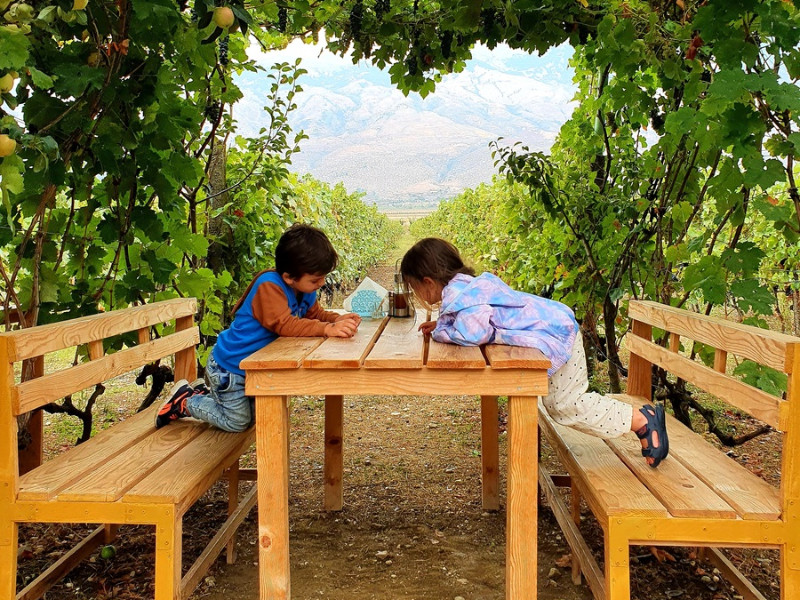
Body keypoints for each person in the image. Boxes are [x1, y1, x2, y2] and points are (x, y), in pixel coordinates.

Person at [399, 237, 668, 467]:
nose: (417, 294)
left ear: (429, 282)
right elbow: (474, 317)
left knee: (565, 405)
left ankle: (641, 420)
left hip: (557, 333)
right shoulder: (466, 285)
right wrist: (446, 322)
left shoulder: (459, 293)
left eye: (415, 288)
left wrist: (440, 332)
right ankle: (639, 419)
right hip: (555, 326)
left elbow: (474, 333)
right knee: (558, 404)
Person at [155, 223, 361, 432]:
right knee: (237, 422)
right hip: (230, 367)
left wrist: (338, 320)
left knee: (260, 416)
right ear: (289, 277)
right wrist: (326, 329)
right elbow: (286, 325)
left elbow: (316, 314)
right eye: (316, 279)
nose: (321, 283)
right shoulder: (269, 286)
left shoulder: (304, 288)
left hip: (254, 367)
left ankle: (202, 394)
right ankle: (185, 401)